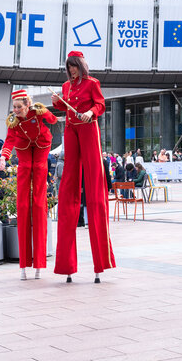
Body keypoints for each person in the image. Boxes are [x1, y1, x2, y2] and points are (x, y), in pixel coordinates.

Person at [51, 51, 115, 283]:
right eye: (68, 67)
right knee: (69, 181)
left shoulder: (92, 83)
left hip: (88, 129)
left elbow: (100, 104)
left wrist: (89, 112)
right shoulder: (66, 86)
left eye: (74, 66)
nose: (71, 70)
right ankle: (66, 263)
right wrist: (57, 102)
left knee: (95, 181)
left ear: (80, 65)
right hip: (71, 129)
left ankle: (101, 262)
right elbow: (62, 106)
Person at [0, 89, 58, 280]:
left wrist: (46, 111)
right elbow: (9, 140)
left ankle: (40, 264)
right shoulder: (13, 122)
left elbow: (53, 121)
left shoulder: (36, 112)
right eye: (14, 107)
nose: (16, 110)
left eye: (19, 107)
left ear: (27, 105)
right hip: (24, 151)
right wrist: (3, 157)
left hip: (41, 147)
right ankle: (24, 264)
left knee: (39, 202)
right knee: (23, 204)